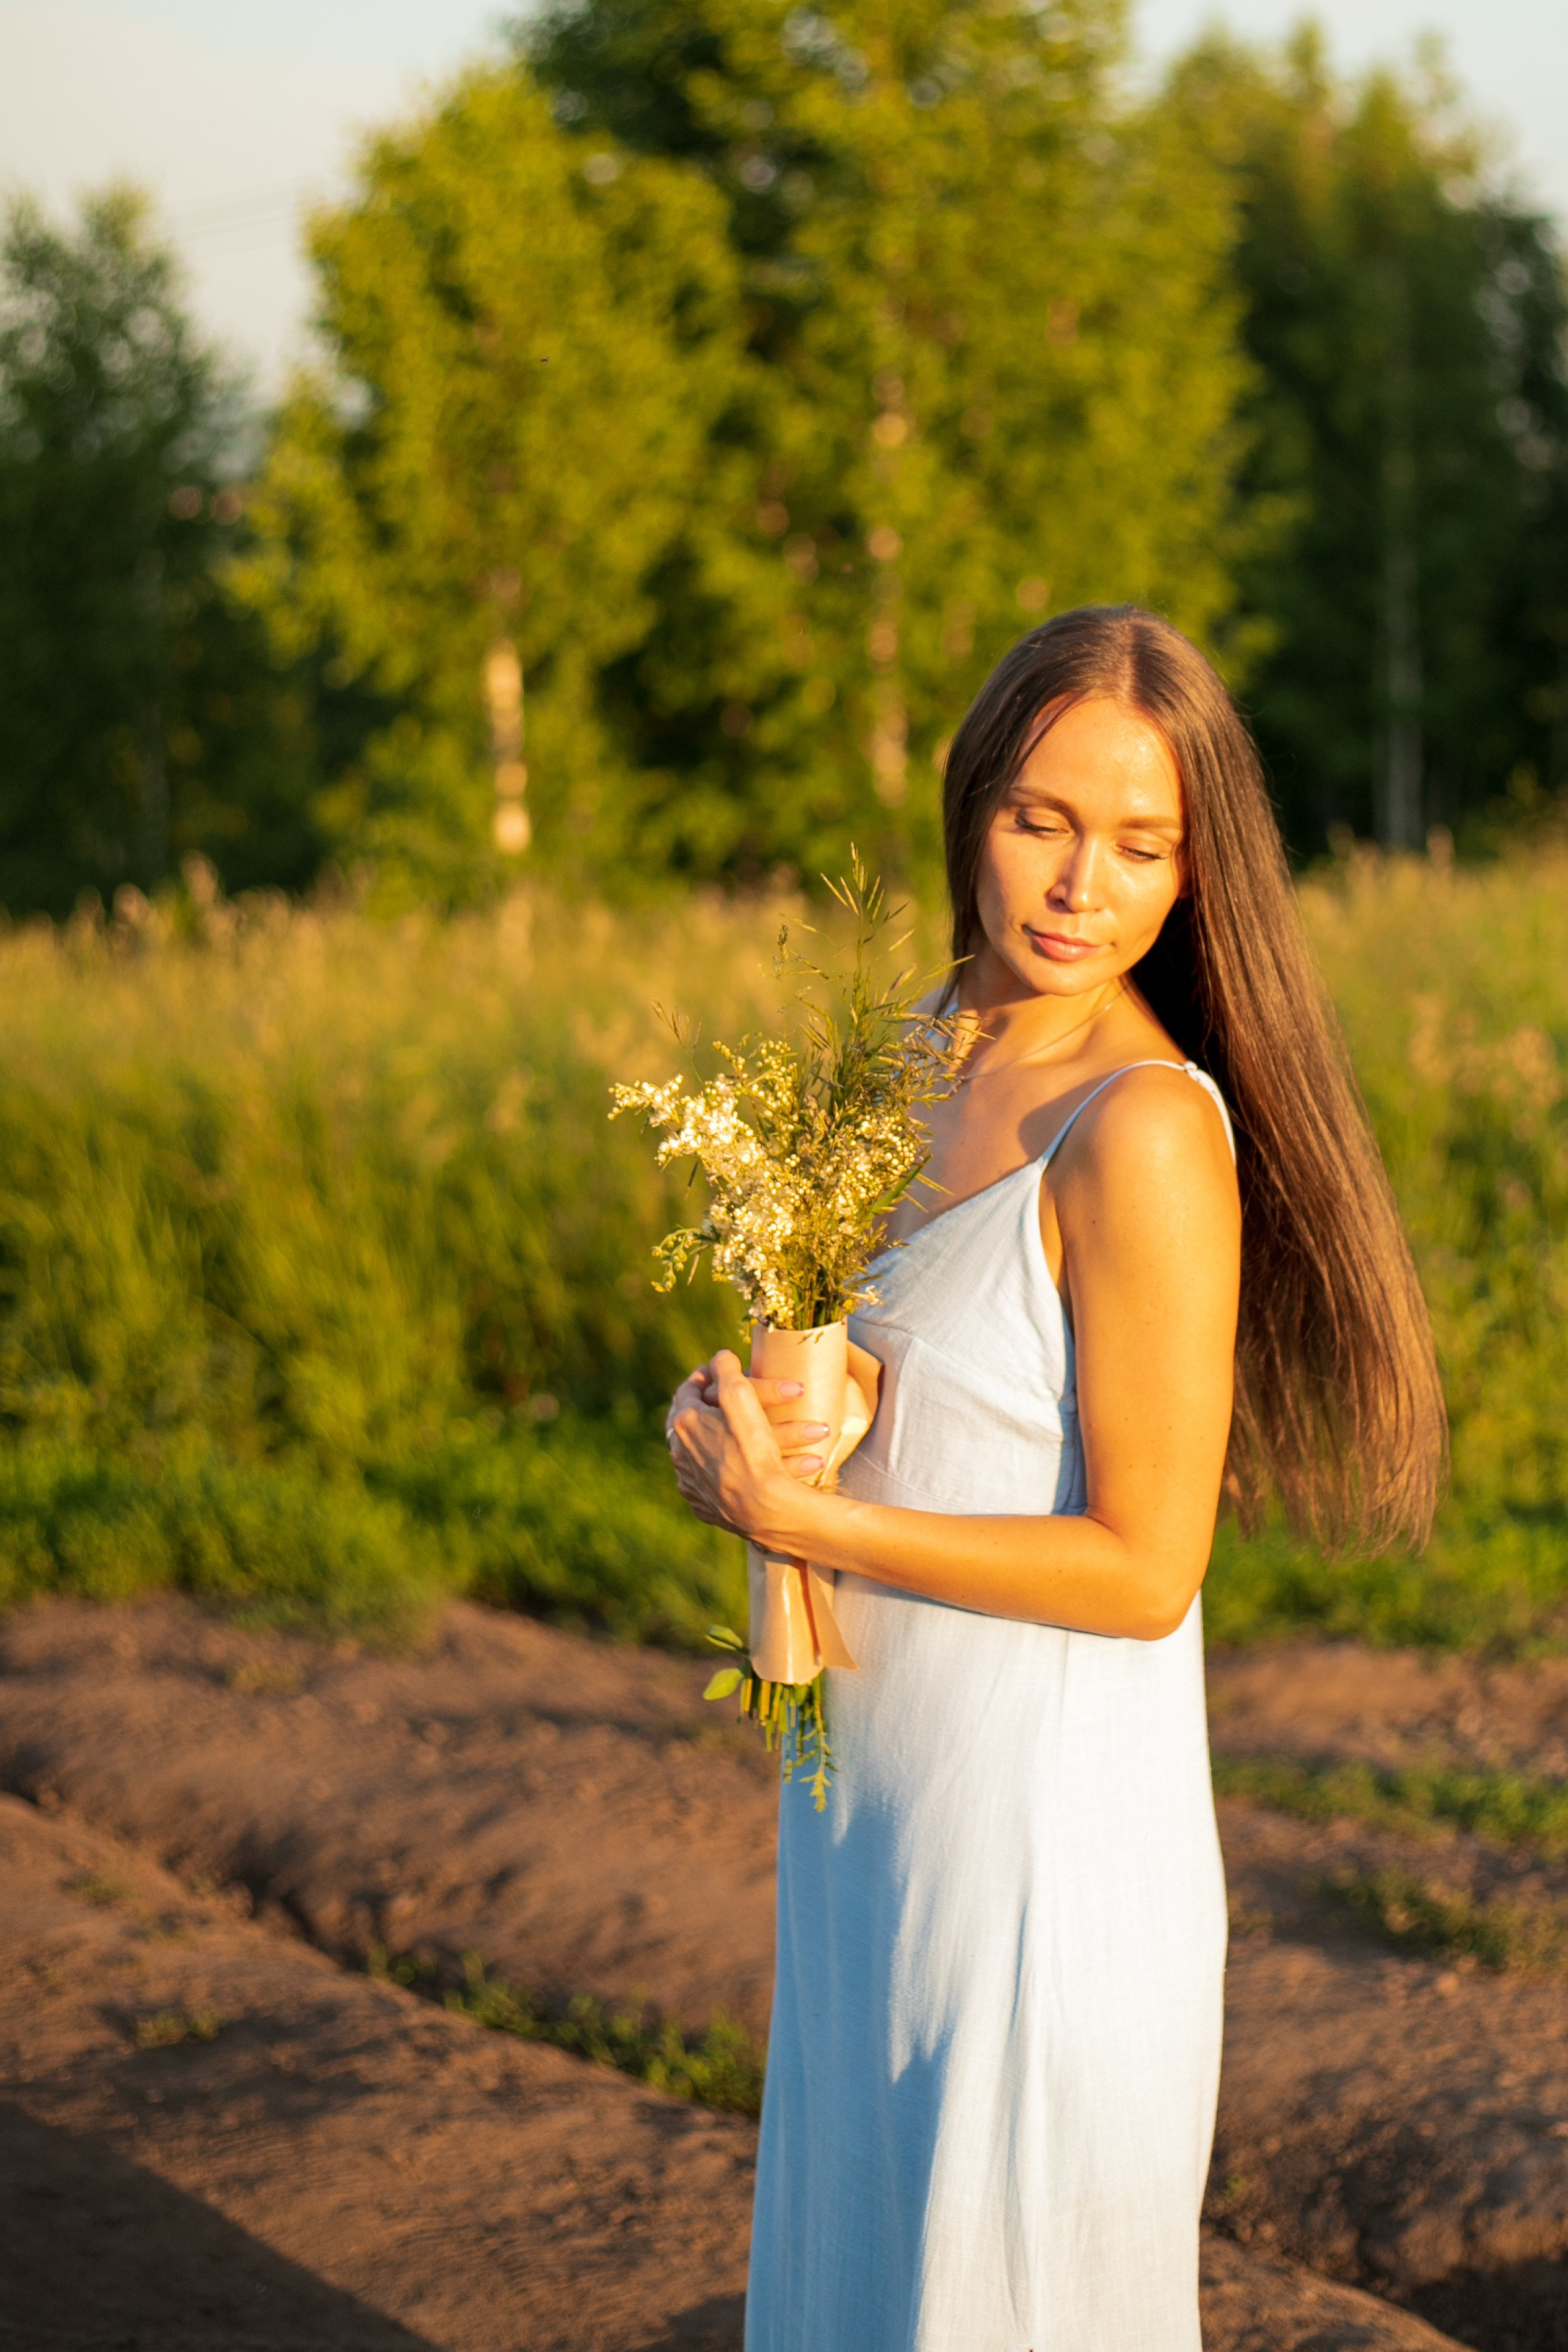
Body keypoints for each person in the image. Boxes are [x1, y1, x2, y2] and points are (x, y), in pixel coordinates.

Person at [665, 604, 1446, 2352]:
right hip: (870, 1813)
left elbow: (1146, 1565)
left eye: (1142, 842)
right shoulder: (914, 1045)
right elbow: (885, 1359)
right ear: (971, 804)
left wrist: (803, 1520)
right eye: (1043, 818)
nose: (1081, 884)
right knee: (869, 2282)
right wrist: (738, 1416)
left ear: (1194, 871)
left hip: (1040, 1844)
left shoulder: (1145, 1128)